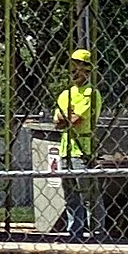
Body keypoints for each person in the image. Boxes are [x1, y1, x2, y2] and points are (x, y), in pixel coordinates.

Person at [53, 48, 102, 240]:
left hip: (83, 149)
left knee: (88, 195)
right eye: (72, 66)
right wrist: (66, 116)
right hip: (66, 149)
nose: (75, 71)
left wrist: (66, 116)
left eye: (79, 66)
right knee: (71, 196)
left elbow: (75, 119)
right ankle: (75, 232)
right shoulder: (65, 94)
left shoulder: (91, 93)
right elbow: (58, 122)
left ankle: (97, 232)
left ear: (88, 69)